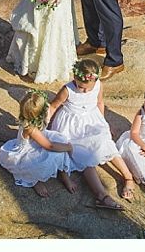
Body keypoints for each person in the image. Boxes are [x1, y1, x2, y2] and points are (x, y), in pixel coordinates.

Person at [49, 60, 137, 205]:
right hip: (72, 126)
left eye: (87, 88)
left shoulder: (98, 85)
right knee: (85, 155)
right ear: (75, 78)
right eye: (81, 87)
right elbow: (53, 106)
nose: (84, 91)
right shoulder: (68, 89)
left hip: (92, 120)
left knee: (106, 143)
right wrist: (45, 125)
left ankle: (128, 177)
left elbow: (99, 103)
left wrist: (103, 123)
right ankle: (101, 194)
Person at [0, 89, 76, 198]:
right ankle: (35, 180)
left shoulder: (34, 116)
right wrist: (68, 147)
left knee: (61, 141)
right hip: (29, 151)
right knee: (45, 161)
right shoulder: (30, 128)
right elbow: (49, 146)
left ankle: (63, 175)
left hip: (41, 140)